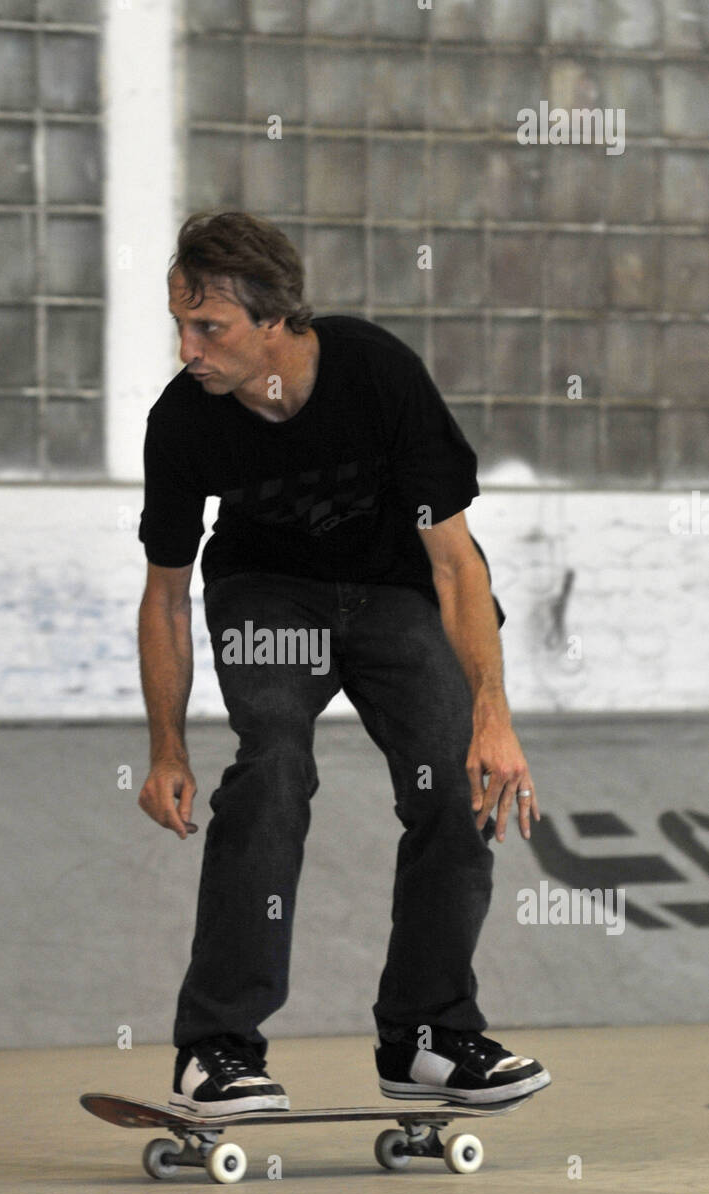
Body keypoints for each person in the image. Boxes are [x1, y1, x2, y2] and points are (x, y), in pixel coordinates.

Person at [137, 211, 551, 1118]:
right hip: (266, 592)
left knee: (454, 783)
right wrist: (166, 747)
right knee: (275, 768)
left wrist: (493, 715)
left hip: (394, 590)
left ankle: (428, 1037)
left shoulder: (375, 374)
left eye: (210, 328)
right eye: (178, 325)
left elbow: (454, 561)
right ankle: (216, 1047)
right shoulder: (182, 424)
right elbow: (165, 595)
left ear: (277, 319)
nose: (188, 349)